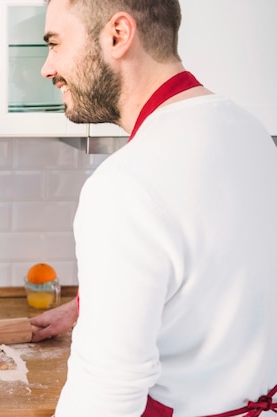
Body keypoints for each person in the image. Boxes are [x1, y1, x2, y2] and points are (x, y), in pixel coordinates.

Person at [34, 0, 277, 416]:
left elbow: (105, 396)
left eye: (55, 44)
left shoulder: (124, 186)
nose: (47, 67)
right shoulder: (251, 132)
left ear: (118, 35)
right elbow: (215, 269)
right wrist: (89, 305)